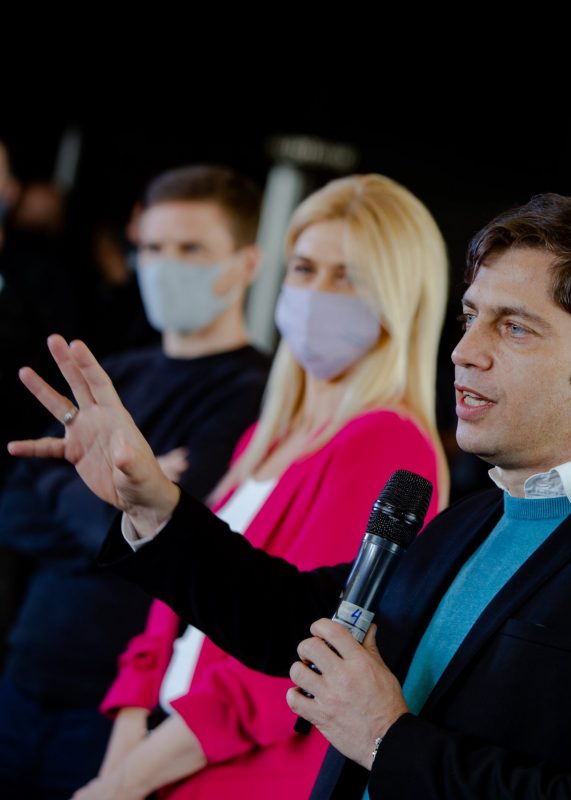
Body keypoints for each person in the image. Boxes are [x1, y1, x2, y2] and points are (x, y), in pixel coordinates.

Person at [12, 193, 571, 799]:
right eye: (472, 317)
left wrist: (386, 737)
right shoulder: (477, 516)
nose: (466, 350)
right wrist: (151, 504)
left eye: (516, 328)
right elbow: (292, 621)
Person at [76, 173, 450, 800]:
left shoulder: (387, 440)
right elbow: (185, 597)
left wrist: (124, 784)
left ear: (398, 297)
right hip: (153, 759)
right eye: (304, 267)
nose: (316, 292)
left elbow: (295, 651)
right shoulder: (268, 434)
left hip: (235, 777)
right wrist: (129, 734)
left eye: (348, 276)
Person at [0, 164, 271, 798]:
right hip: (23, 668)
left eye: (191, 249)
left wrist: (73, 492)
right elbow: (13, 505)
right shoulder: (111, 371)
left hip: (120, 699)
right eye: (151, 247)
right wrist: (120, 505)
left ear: (247, 263)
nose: (164, 264)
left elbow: (181, 532)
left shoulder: (254, 395)